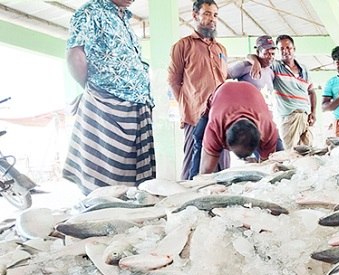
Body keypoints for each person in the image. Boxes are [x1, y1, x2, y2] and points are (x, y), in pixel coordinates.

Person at [64, 0, 155, 195]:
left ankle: (130, 217)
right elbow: (75, 55)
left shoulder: (123, 18)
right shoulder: (90, 12)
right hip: (107, 104)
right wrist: (94, 92)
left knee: (134, 183)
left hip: (137, 104)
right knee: (108, 178)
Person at [168, 0, 228, 180]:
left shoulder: (221, 49)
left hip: (220, 117)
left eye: (215, 15)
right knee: (192, 168)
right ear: (195, 16)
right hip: (195, 116)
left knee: (222, 167)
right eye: (207, 13)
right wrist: (186, 107)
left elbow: (224, 79)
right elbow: (173, 80)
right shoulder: (183, 46)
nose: (212, 19)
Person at [247, 35, 316, 149]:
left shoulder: (305, 70)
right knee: (289, 156)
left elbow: (312, 92)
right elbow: (251, 56)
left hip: (306, 118)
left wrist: (313, 112)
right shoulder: (276, 66)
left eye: (288, 47)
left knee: (307, 155)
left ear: (294, 49)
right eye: (282, 49)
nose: (285, 51)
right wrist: (255, 62)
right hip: (289, 119)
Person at [199, 82, 279, 175]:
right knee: (198, 138)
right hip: (220, 94)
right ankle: (190, 176)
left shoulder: (268, 129)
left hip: (251, 91)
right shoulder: (214, 127)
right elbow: (205, 172)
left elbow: (266, 168)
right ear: (225, 141)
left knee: (274, 164)